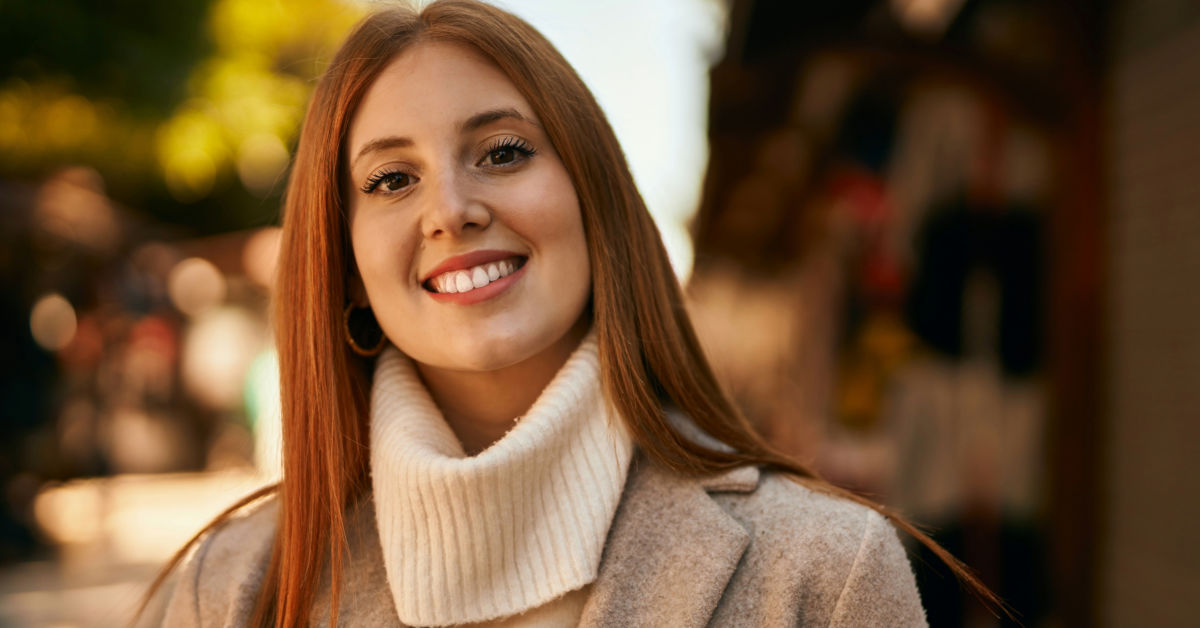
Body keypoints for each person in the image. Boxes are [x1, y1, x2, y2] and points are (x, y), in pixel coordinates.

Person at [139, 1, 1000, 626]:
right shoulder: (237, 586)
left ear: (597, 201)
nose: (452, 209)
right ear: (347, 270)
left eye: (503, 152)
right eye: (391, 180)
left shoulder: (824, 570)